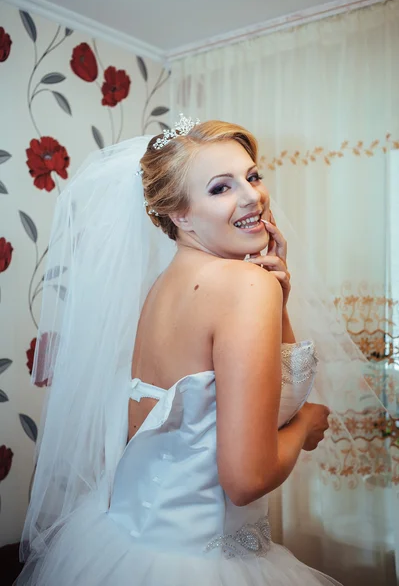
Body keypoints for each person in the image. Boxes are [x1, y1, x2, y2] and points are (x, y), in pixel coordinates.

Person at [17, 117, 381, 586]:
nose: (252, 196)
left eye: (252, 176)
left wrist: (280, 302)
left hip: (124, 544)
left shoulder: (161, 290)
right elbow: (246, 478)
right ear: (179, 214)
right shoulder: (244, 286)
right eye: (220, 188)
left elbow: (258, 392)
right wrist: (308, 423)